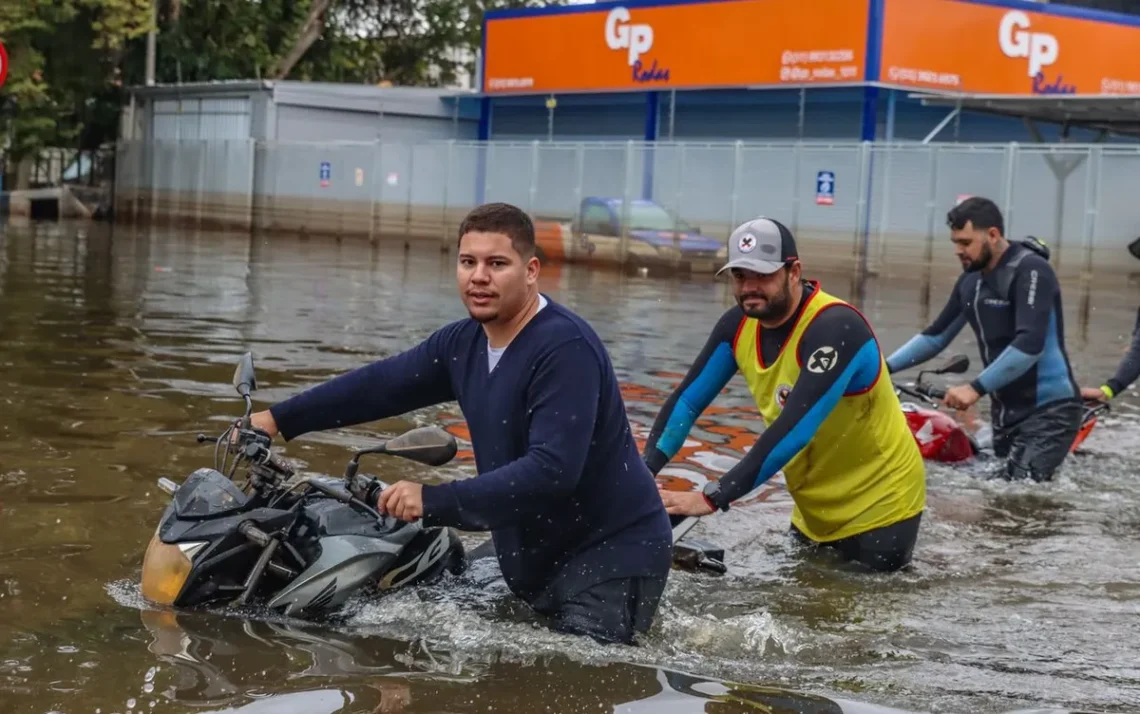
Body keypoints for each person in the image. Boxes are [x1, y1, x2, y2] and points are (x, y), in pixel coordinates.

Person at [247, 202, 673, 645]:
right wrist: (278, 418)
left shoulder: (565, 349)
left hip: (609, 556)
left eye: (496, 264)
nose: (479, 277)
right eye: (468, 262)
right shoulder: (462, 344)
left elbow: (552, 470)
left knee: (567, 689)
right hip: (533, 551)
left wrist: (432, 500)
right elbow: (381, 385)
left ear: (531, 271)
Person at [643, 216, 926, 574]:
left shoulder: (836, 327)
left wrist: (711, 497)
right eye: (740, 276)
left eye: (762, 275)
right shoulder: (737, 326)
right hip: (814, 509)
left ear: (794, 272)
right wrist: (640, 474)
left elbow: (795, 428)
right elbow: (687, 401)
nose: (749, 287)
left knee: (856, 622)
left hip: (882, 505)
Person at [885, 196, 1082, 483]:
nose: (958, 251)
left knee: (1022, 496)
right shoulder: (971, 281)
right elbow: (935, 337)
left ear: (993, 234)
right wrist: (880, 368)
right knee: (995, 495)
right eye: (955, 242)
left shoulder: (1031, 271)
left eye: (965, 242)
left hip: (1050, 411)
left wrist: (975, 388)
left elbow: (1030, 345)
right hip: (1007, 412)